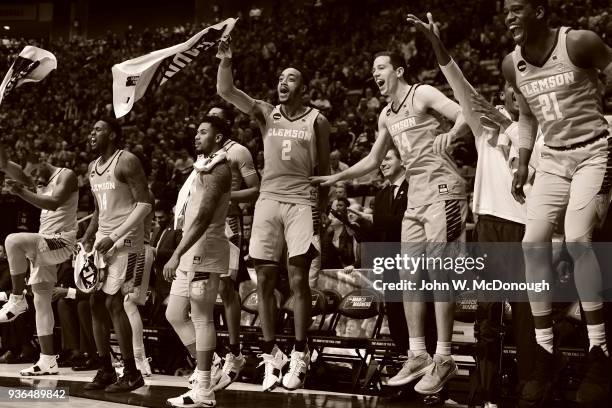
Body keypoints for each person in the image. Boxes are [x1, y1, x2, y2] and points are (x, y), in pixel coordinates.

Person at [312, 48, 470, 394]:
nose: (374, 73)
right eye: (372, 69)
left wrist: (452, 134)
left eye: (380, 67)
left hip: (444, 188)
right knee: (408, 273)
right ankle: (417, 353)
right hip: (416, 195)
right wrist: (333, 178)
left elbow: (464, 114)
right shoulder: (386, 115)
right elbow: (372, 159)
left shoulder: (422, 93)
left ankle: (444, 357)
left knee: (438, 272)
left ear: (398, 70)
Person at [406, 13, 540, 408]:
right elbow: (458, 83)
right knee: (487, 320)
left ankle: (530, 391)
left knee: (526, 316)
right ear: (506, 95)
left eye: (522, 90)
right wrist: (436, 45)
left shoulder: (545, 131)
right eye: (511, 89)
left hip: (527, 228)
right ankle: (484, 394)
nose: (517, 95)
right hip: (488, 225)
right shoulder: (488, 125)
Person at [501, 0, 612, 405]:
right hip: (552, 159)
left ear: (539, 13)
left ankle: (599, 348)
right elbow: (528, 117)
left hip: (594, 152)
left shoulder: (579, 43)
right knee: (532, 244)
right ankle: (545, 349)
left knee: (578, 239)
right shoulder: (512, 64)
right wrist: (522, 163)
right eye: (505, 11)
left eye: (516, 9)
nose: (508, 16)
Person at [217, 35, 330, 391]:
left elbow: (324, 171)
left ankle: (299, 352)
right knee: (263, 280)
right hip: (268, 200)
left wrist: (321, 213)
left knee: (297, 282)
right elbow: (227, 92)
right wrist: (225, 60)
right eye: (281, 77)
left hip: (300, 202)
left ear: (304, 88)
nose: (283, 82)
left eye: (291, 78)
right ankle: (271, 355)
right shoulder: (266, 112)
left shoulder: (317, 120)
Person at [164, 115, 232, 408]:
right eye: (197, 132)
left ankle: (204, 389)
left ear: (217, 138)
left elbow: (204, 217)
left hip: (205, 248)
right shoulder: (202, 167)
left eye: (203, 132)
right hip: (190, 249)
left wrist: (177, 252)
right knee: (175, 313)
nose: (196, 137)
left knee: (202, 317)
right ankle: (212, 363)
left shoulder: (219, 168)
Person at [81, 118, 151, 392]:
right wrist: (88, 235)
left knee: (115, 303)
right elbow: (100, 210)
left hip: (127, 240)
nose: (91, 134)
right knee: (94, 303)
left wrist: (115, 235)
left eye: (97, 129)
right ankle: (106, 369)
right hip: (103, 240)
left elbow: (145, 204)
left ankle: (132, 372)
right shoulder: (92, 168)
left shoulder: (127, 161)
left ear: (112, 134)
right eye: (91, 129)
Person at [0, 142, 78, 376]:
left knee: (13, 240)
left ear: (43, 160)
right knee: (42, 301)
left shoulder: (67, 175)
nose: (33, 179)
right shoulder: (38, 179)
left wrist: (21, 191)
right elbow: (4, 164)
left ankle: (16, 298)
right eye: (30, 175)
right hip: (45, 244)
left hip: (61, 241)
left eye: (34, 172)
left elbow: (53, 204)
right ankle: (47, 360)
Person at [208, 105, 260, 390]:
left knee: (227, 288)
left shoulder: (238, 151)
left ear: (226, 123)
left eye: (215, 116)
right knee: (201, 289)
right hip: (205, 224)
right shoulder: (205, 152)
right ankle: (209, 358)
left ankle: (234, 352)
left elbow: (256, 188)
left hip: (229, 224)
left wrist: (227, 197)